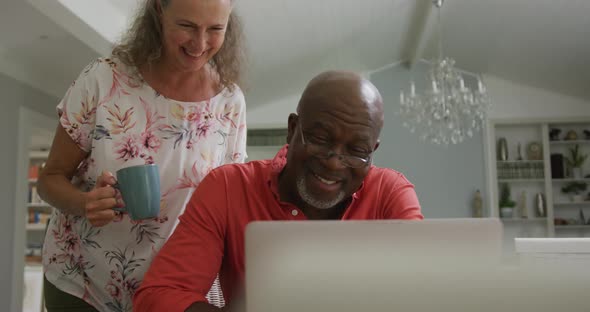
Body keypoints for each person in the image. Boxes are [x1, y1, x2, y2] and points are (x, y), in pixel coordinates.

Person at [133, 71, 424, 312]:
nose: (334, 162)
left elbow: (424, 291)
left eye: (357, 150)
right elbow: (159, 295)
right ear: (292, 128)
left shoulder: (390, 193)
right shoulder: (228, 188)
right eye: (320, 139)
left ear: (373, 152)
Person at [37, 0, 246, 311]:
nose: (200, 44)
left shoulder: (229, 102)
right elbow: (49, 179)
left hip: (170, 290)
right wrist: (85, 204)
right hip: (83, 282)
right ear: (159, 10)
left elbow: (229, 207)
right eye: (187, 26)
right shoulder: (102, 79)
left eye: (215, 29)